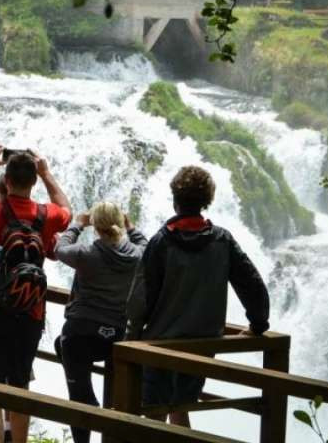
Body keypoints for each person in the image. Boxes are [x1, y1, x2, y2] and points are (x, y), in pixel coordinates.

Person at [126, 165, 270, 428]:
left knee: (153, 415)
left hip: (159, 345)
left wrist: (131, 339)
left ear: (175, 199)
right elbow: (252, 284)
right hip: (203, 346)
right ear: (208, 201)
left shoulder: (162, 242)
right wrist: (258, 324)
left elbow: (141, 297)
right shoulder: (222, 241)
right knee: (181, 406)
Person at [0, 145, 71, 443]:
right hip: (29, 310)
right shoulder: (47, 216)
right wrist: (46, 173)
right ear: (33, 182)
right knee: (19, 386)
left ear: (5, 180)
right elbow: (67, 209)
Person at [53, 202, 146, 443]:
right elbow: (145, 245)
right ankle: (97, 409)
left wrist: (77, 224)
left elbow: (59, 248)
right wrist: (132, 227)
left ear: (95, 225)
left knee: (78, 395)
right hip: (115, 336)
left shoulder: (86, 254)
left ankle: (88, 406)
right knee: (114, 394)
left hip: (80, 333)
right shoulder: (136, 255)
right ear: (121, 223)